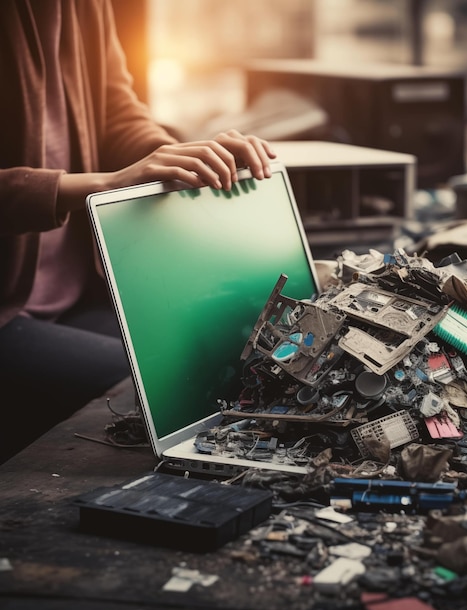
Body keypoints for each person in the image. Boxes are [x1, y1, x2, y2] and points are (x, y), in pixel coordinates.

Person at [0, 0, 277, 463]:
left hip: (76, 291)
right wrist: (102, 185)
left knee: (225, 350)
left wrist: (177, 156)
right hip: (8, 312)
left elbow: (117, 111)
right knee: (157, 390)